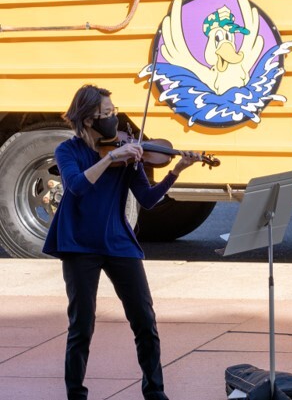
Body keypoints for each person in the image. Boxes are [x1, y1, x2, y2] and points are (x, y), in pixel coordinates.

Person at [43, 85, 199, 400]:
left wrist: (176, 171)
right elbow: (76, 186)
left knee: (144, 318)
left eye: (114, 112)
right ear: (88, 120)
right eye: (107, 114)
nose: (115, 120)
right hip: (78, 245)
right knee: (81, 324)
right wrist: (111, 156)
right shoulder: (68, 151)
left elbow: (148, 200)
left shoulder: (128, 153)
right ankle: (76, 393)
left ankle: (154, 390)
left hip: (117, 241)